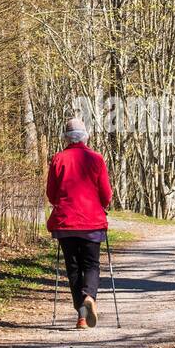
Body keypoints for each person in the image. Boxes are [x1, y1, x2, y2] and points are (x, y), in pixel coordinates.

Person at [46, 116, 112, 329]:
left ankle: (82, 317)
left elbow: (51, 194)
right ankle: (90, 297)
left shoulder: (58, 159)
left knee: (73, 268)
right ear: (85, 136)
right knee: (91, 265)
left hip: (66, 223)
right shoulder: (96, 159)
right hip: (92, 222)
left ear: (66, 138)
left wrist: (61, 203)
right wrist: (102, 204)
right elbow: (106, 194)